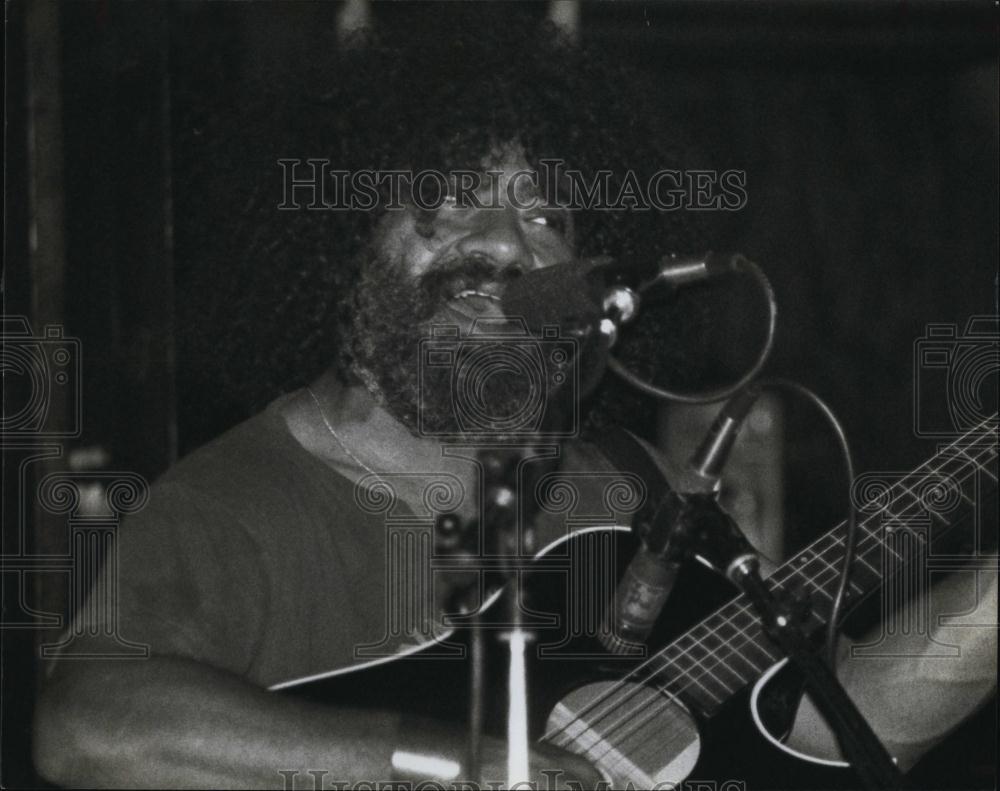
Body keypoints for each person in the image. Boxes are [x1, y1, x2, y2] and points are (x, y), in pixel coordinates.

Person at [33, 17, 996, 790]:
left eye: (543, 215)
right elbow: (88, 724)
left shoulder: (633, 481)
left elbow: (829, 719)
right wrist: (463, 763)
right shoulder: (235, 502)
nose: (504, 243)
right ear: (335, 247)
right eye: (449, 199)